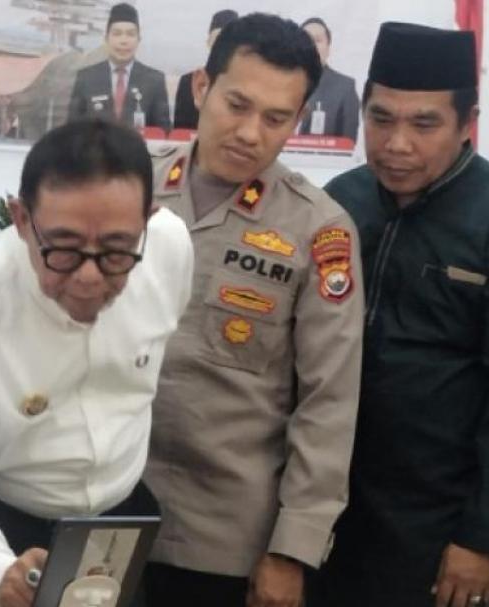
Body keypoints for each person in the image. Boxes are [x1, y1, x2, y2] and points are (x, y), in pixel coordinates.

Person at [0, 118, 193, 607]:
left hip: (113, 528)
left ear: (148, 221)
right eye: (65, 250)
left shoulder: (169, 250)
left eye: (117, 251)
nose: (90, 277)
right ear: (21, 219)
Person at [308, 22, 489, 607]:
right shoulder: (338, 204)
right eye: (381, 118)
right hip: (335, 515)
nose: (397, 144)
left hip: (445, 529)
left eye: (424, 124)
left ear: (467, 123)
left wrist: (484, 538)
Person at [142, 13, 364, 607]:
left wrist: (293, 549)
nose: (249, 133)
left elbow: (329, 402)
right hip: (104, 509)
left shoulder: (318, 229)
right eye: (237, 105)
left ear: (299, 119)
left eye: (275, 118)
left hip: (224, 540)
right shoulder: (130, 188)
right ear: (201, 87)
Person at [67, 3, 171, 133]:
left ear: (139, 40)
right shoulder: (86, 78)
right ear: (106, 39)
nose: (123, 41)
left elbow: (163, 133)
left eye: (130, 34)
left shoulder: (154, 80)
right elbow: (71, 131)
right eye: (117, 34)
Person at [173, 9, 238, 130]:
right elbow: (180, 130)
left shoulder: (247, 83)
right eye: (218, 38)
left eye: (229, 39)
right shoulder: (188, 82)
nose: (223, 44)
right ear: (208, 42)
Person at [298, 17, 360, 141]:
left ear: (328, 47)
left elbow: (347, 144)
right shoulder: (280, 83)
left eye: (317, 40)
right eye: (306, 40)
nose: (312, 46)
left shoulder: (344, 88)